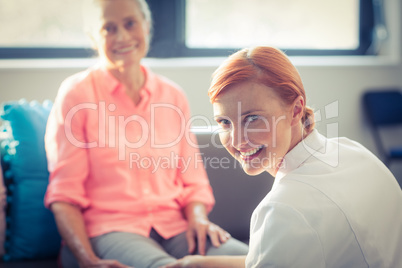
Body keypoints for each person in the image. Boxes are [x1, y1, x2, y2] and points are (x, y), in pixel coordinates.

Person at [43, 0, 248, 267]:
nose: (123, 37)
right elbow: (64, 195)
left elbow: (193, 182)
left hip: (174, 226)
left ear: (147, 25)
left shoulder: (172, 95)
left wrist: (198, 219)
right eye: (109, 28)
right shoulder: (76, 94)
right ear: (94, 36)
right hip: (110, 229)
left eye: (130, 23)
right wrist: (87, 259)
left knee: (260, 258)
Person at [161, 46, 402, 268]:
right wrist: (192, 264)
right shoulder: (353, 151)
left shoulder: (284, 209)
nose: (236, 141)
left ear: (296, 110)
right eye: (224, 122)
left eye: (252, 118)